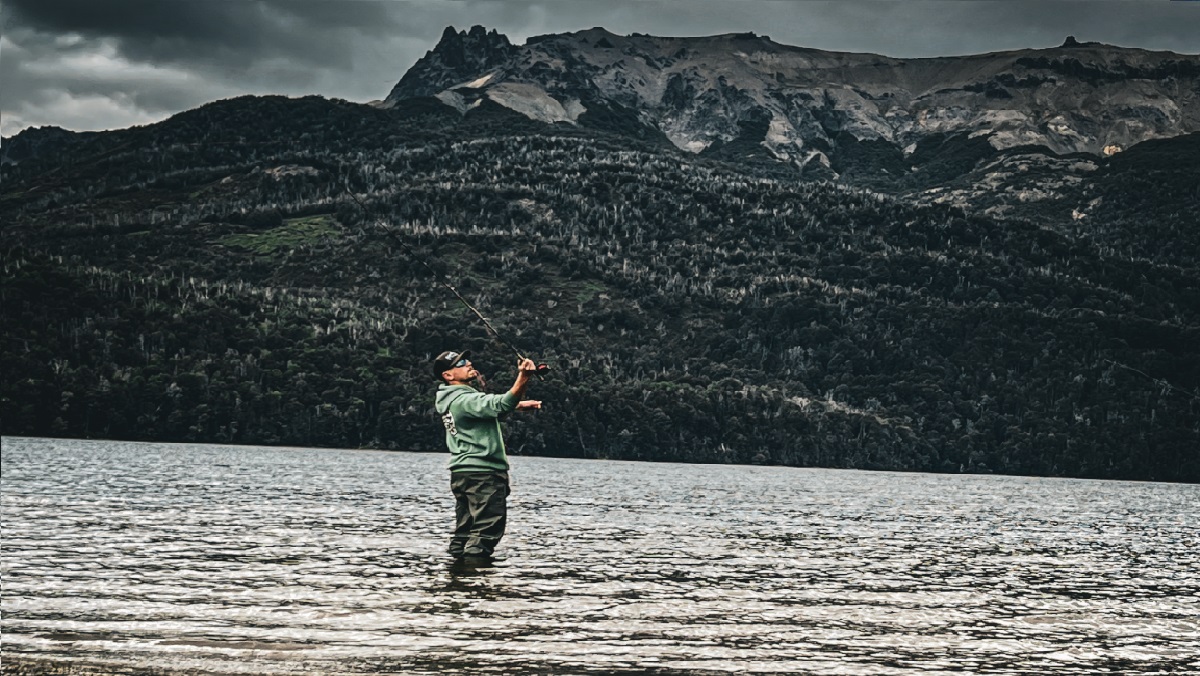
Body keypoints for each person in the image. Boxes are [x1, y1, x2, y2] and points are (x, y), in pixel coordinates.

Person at [432, 349, 541, 564]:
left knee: (465, 531)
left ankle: (456, 580)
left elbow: (484, 408)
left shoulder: (450, 399)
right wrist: (524, 376)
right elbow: (499, 405)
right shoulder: (465, 399)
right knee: (486, 531)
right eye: (460, 362)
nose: (468, 362)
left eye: (466, 359)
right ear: (448, 376)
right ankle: (475, 586)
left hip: (463, 474)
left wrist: (517, 405)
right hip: (483, 474)